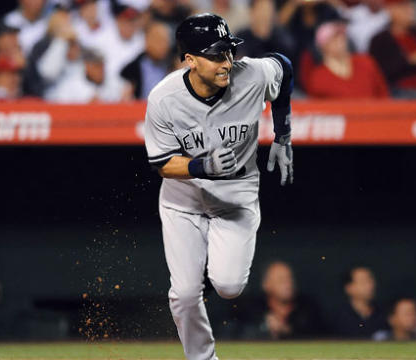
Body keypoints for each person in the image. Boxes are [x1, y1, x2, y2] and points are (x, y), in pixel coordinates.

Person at [143, 13, 294, 360]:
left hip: (235, 194)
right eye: (215, 55)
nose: (226, 62)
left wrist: (283, 132)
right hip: (183, 199)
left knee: (228, 286)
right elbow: (161, 163)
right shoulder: (164, 98)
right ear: (190, 60)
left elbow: (284, 67)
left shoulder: (251, 75)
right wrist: (200, 166)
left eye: (228, 51)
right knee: (183, 293)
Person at [368, 0, 416, 97]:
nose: (409, 11)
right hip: (396, 91)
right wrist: (408, 61)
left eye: (410, 7)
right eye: (404, 7)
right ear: (390, 10)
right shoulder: (379, 40)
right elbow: (377, 73)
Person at [303, 21, 389, 99]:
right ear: (322, 46)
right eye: (334, 38)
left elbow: (383, 94)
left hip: (372, 114)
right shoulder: (318, 77)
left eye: (342, 36)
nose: (340, 41)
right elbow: (317, 110)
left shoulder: (366, 62)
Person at [241, 261, 323, 339]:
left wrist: (287, 331)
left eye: (289, 279)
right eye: (281, 280)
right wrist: (263, 328)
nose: (288, 284)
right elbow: (237, 332)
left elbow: (323, 336)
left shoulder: (307, 307)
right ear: (266, 284)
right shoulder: (253, 308)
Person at [120, 21, 172, 99]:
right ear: (147, 40)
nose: (163, 45)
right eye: (159, 40)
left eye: (166, 41)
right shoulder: (131, 70)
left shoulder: (174, 66)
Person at [332, 266, 387, 338]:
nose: (370, 285)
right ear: (348, 287)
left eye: (370, 280)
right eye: (363, 281)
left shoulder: (385, 314)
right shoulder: (337, 318)